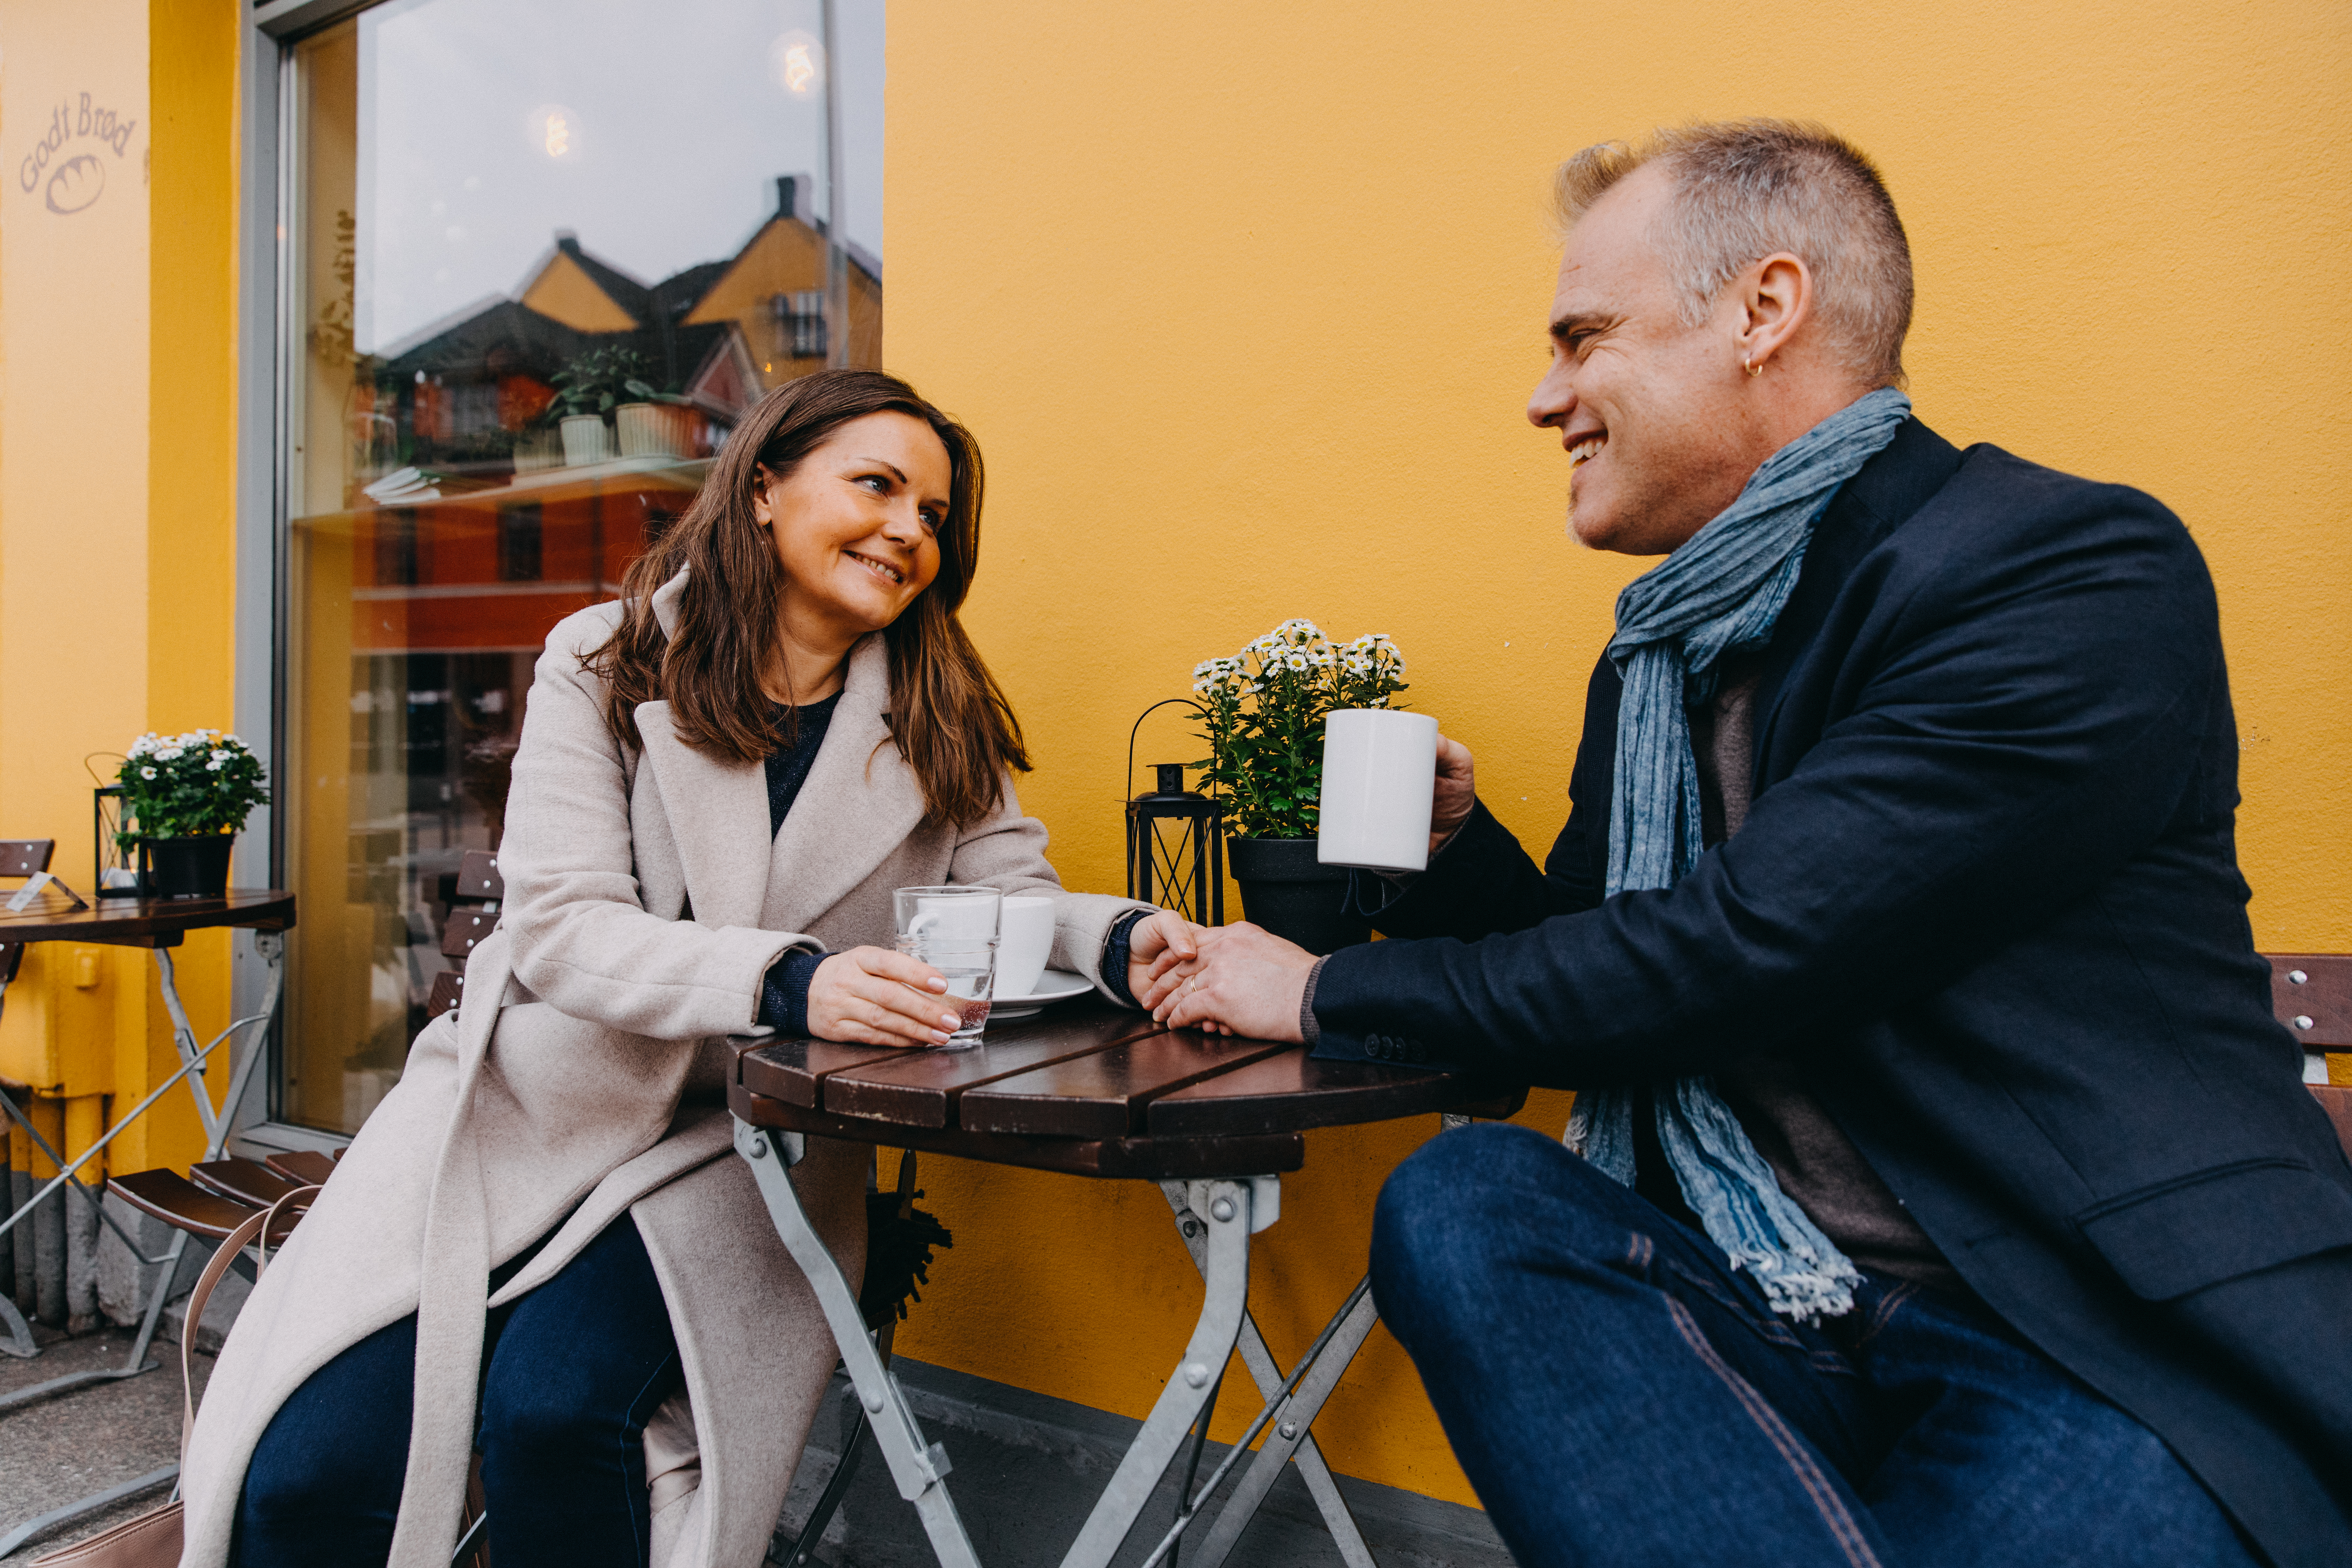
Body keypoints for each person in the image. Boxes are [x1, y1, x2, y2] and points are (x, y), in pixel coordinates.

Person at [1144, 122, 2352, 1567]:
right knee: (1468, 1199)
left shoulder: (2058, 569)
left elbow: (1745, 947)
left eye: (1584, 338)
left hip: (2068, 1322)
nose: (1544, 398)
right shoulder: (1665, 654)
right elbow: (1593, 963)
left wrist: (1316, 990)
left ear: (1763, 311)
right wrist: (1454, 851)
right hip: (1759, 1294)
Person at [185, 370, 1190, 1568]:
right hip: (525, 1111)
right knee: (309, 1475)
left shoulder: (940, 709)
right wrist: (790, 981)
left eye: (933, 514)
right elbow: (563, 926)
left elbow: (1012, 901)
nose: (909, 530)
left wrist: (1121, 940)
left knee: (557, 1416)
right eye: (877, 486)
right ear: (762, 488)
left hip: (749, 1143)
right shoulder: (607, 659)